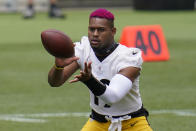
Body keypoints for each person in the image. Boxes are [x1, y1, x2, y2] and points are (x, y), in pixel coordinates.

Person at [48, 8, 153, 131]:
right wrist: (58, 67)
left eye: (101, 30)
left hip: (132, 122)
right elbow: (55, 82)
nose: (95, 34)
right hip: (98, 122)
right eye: (92, 29)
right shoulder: (83, 49)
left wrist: (89, 80)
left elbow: (113, 96)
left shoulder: (128, 57)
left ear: (113, 31)